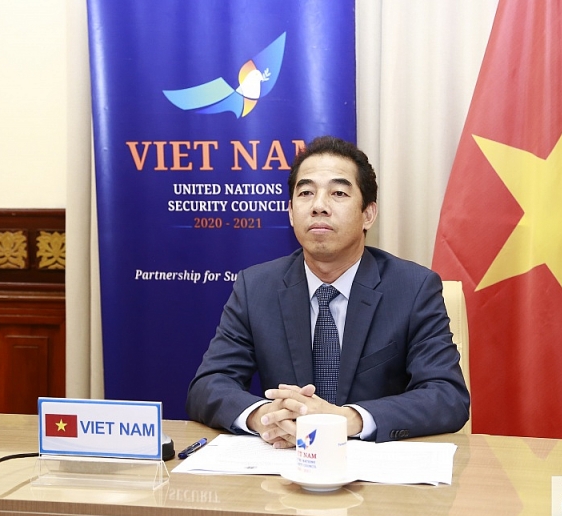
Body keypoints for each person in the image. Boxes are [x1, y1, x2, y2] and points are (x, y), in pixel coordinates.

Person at [186, 136, 469, 446]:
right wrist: (266, 416)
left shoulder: (412, 288)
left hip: (375, 466)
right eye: (306, 193)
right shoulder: (256, 287)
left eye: (338, 193)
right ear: (291, 212)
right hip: (286, 461)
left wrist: (346, 420)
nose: (319, 206)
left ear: (368, 214)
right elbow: (208, 385)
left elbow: (447, 396)